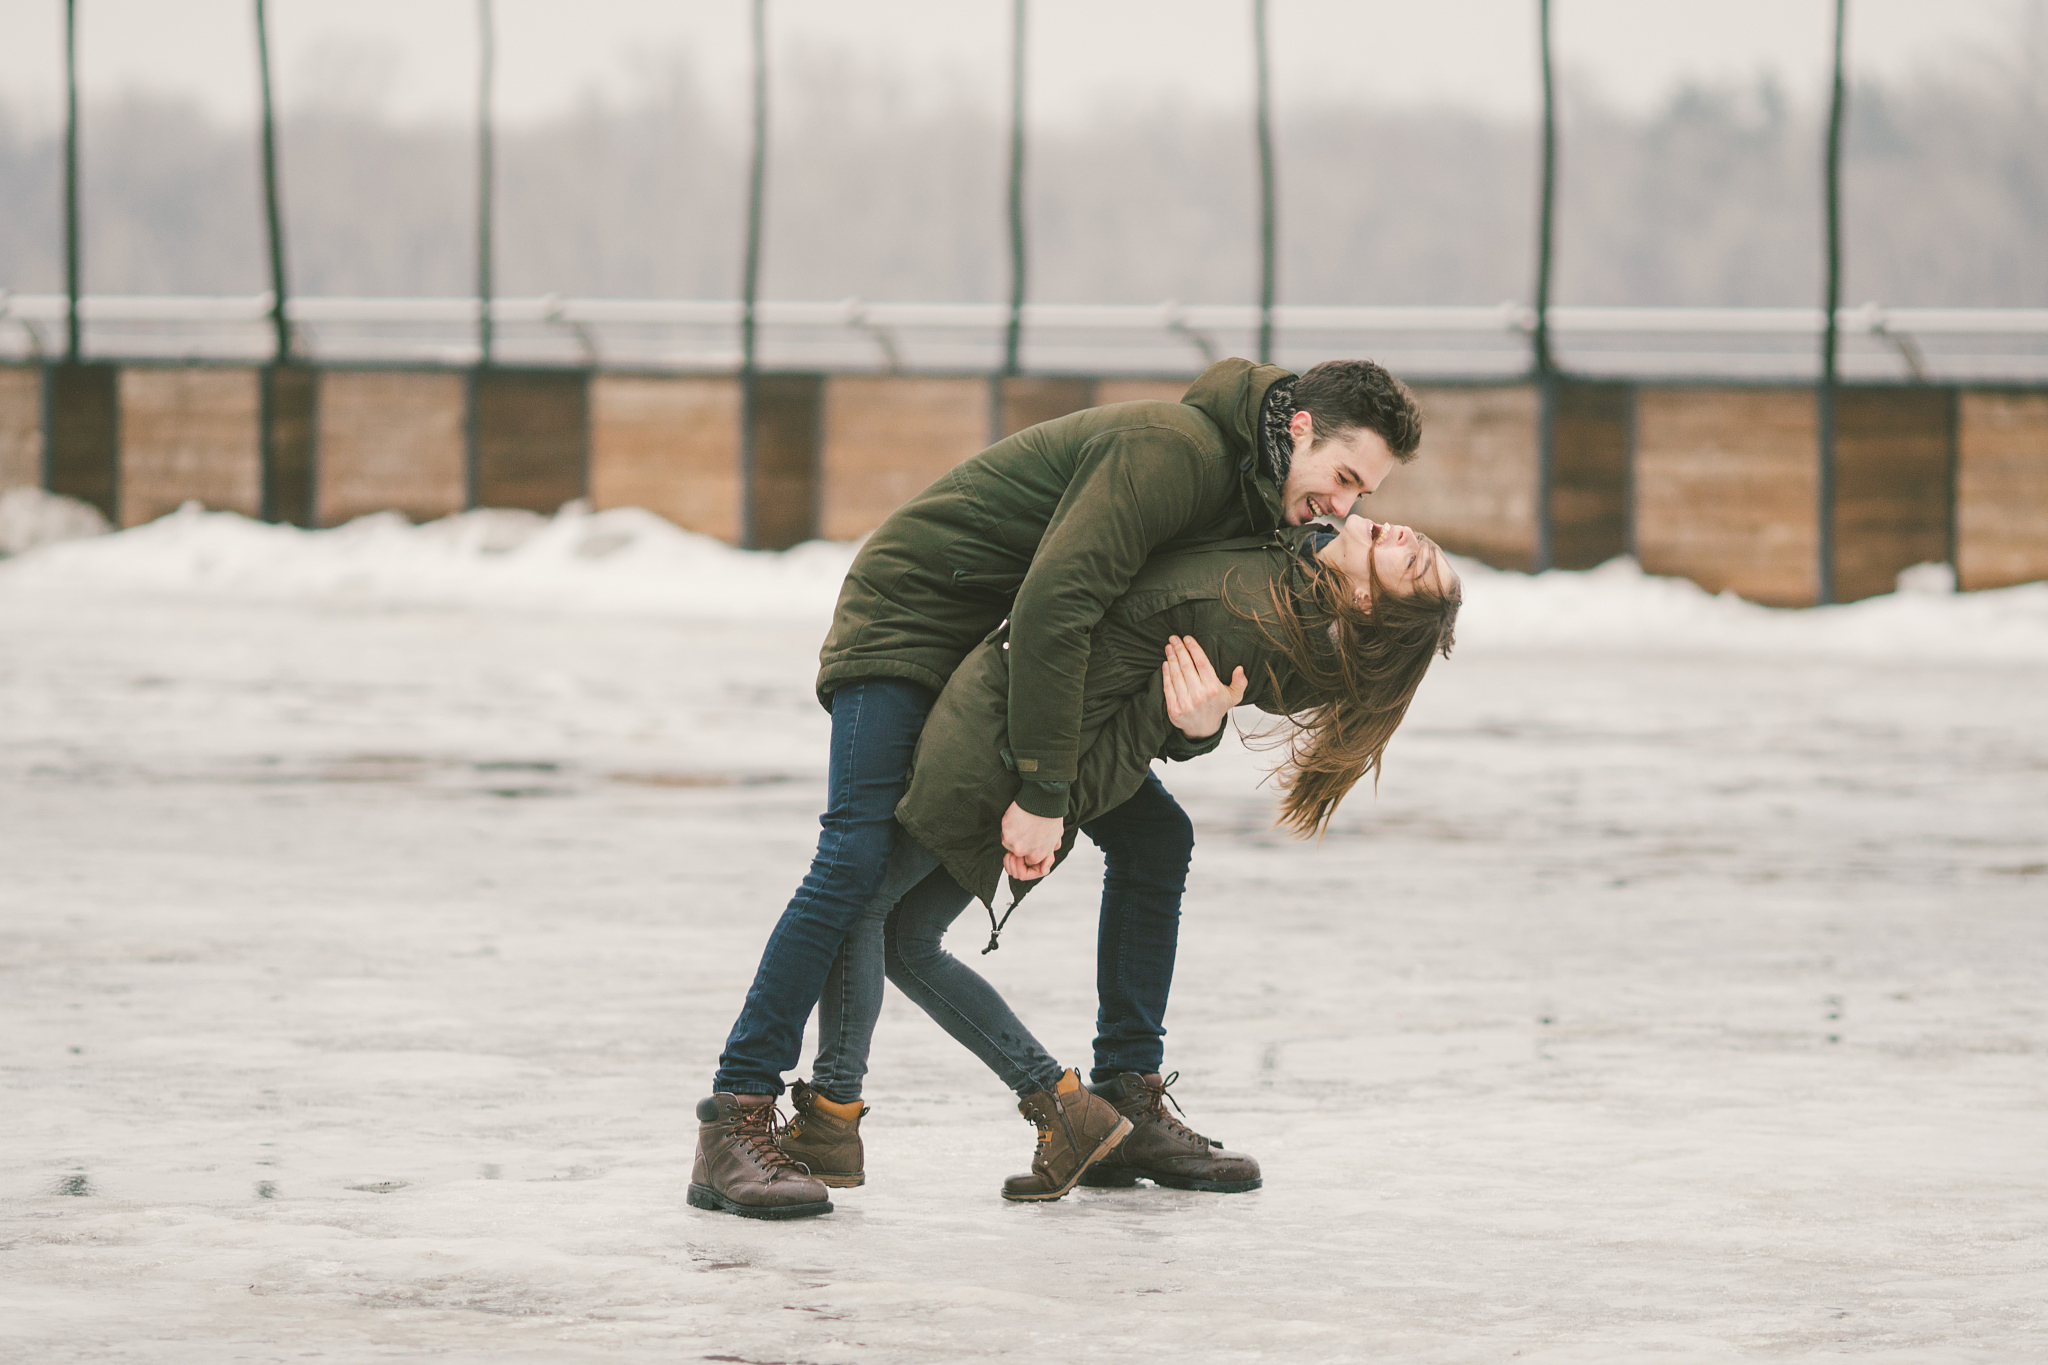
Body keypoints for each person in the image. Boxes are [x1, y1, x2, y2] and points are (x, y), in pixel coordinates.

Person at [690, 357, 1425, 1221]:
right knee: (855, 857)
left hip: (1014, 662)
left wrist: (1197, 724)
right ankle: (734, 1117)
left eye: (1362, 496)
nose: (1345, 506)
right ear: (1299, 427)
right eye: (1343, 479)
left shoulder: (1259, 500)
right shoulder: (1175, 451)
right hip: (917, 623)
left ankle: (1125, 1098)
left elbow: (1150, 630)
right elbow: (1057, 604)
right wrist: (1044, 790)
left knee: (1157, 838)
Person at [777, 514, 1461, 1203]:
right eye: (1422, 545)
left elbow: (1140, 715)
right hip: (1035, 697)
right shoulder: (1296, 548)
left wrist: (1051, 804)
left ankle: (1064, 1103)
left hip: (1035, 720)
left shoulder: (1274, 616)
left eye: (1414, 561)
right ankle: (1079, 1101)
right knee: (916, 920)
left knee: (885, 911)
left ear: (1366, 602)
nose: (1408, 535)